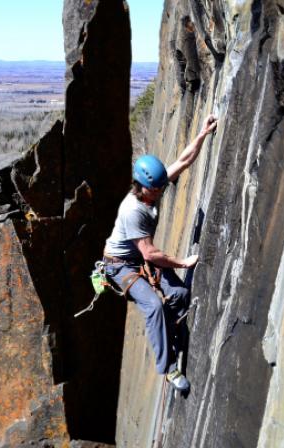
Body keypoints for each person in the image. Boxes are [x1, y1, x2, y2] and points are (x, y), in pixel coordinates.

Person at [102, 114, 217, 391]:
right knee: (153, 306)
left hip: (138, 258)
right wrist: (183, 263)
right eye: (155, 189)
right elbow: (150, 254)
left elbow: (184, 161)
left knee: (178, 295)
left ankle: (171, 330)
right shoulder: (133, 210)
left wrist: (202, 134)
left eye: (160, 187)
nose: (160, 192)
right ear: (142, 187)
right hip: (120, 266)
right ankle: (168, 369)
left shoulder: (154, 186)